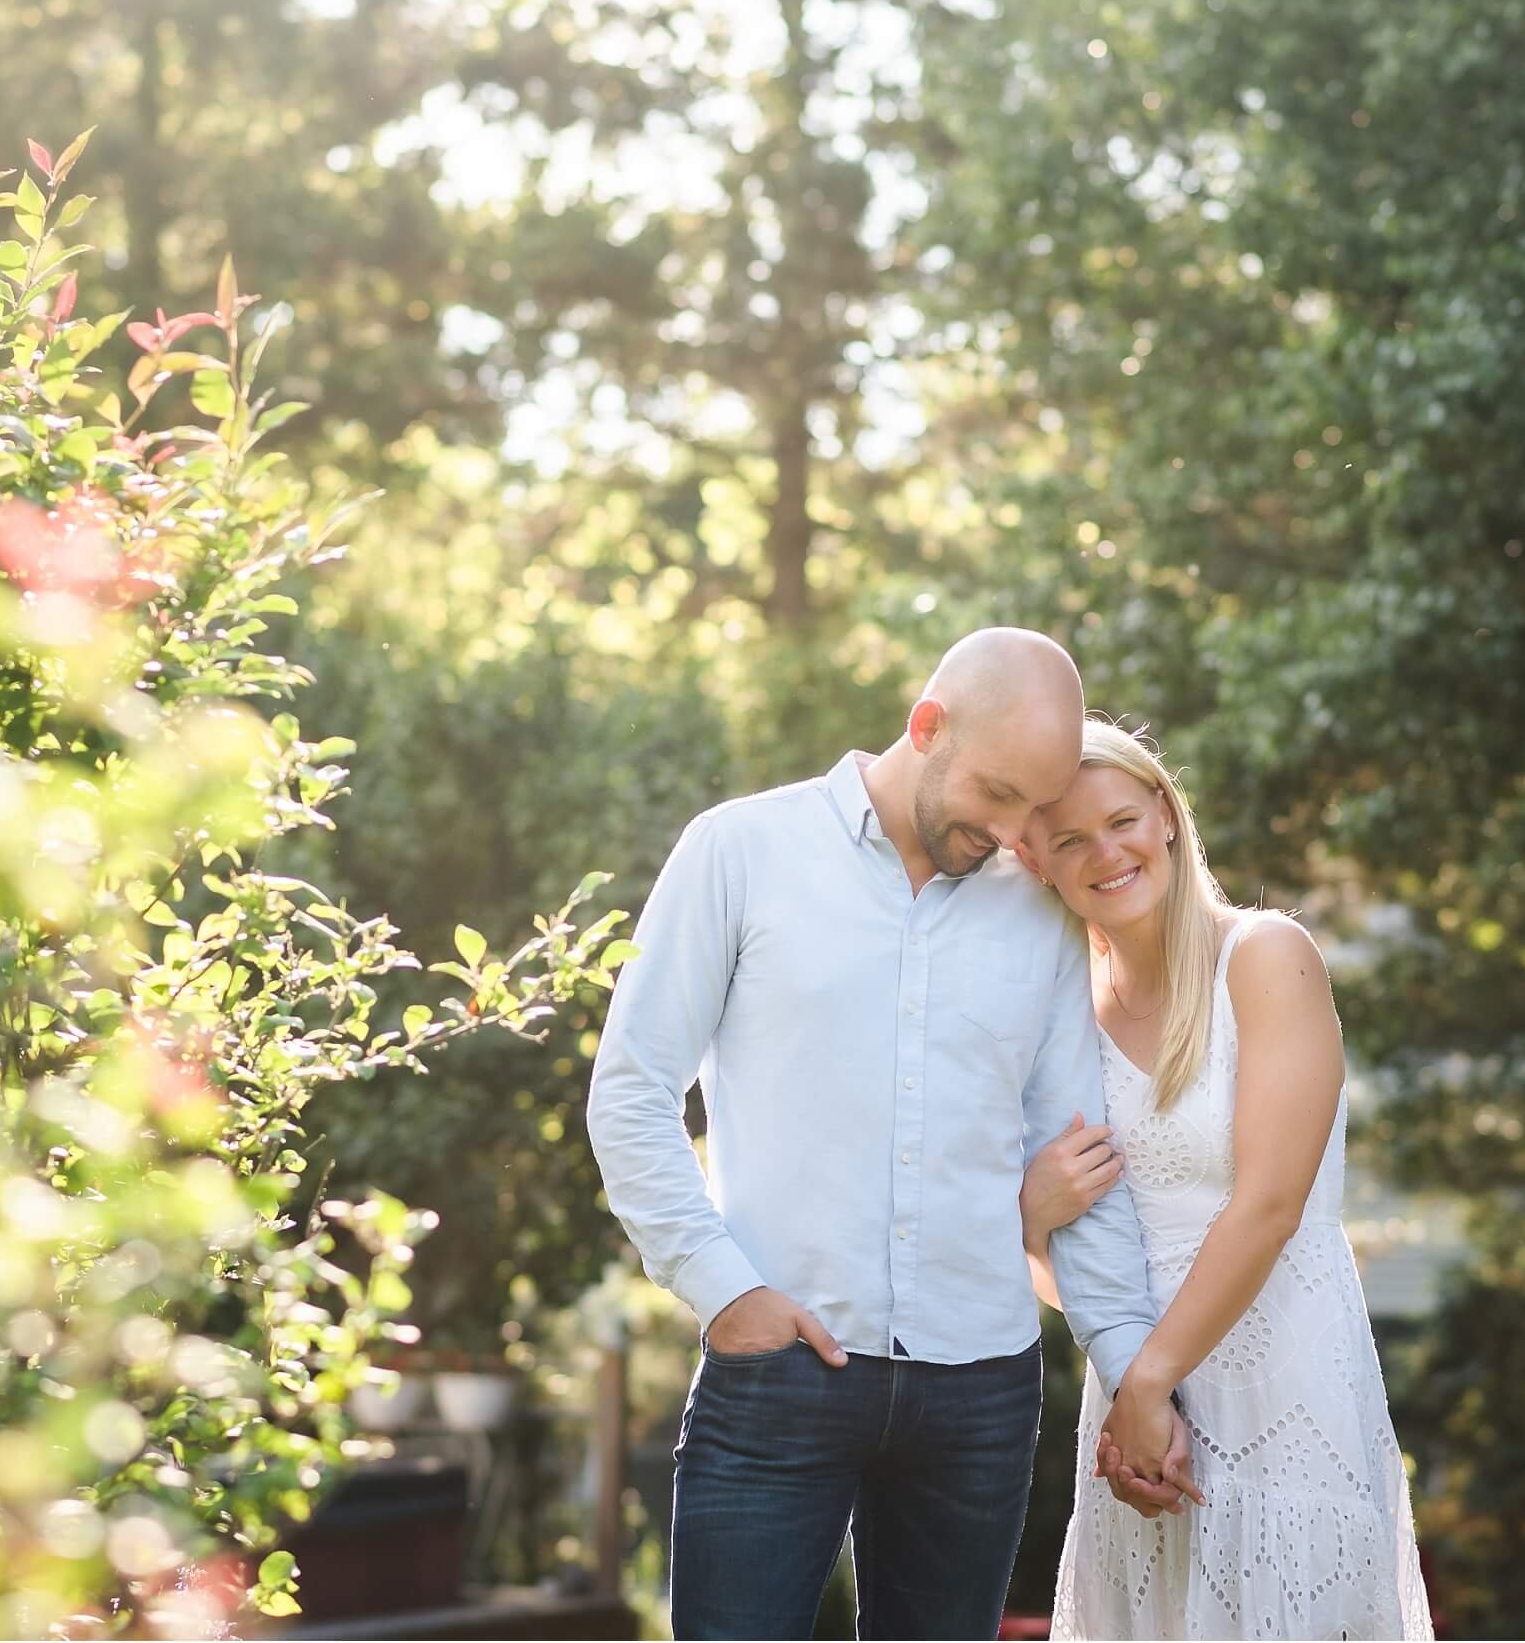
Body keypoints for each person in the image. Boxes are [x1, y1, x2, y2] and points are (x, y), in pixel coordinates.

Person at [587, 630, 1201, 1641]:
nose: (1014, 835)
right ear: (927, 728)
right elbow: (631, 1089)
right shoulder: (741, 851)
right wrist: (723, 1289)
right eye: (998, 796)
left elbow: (1082, 1162)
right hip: (779, 1370)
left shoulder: (1037, 915)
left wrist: (1132, 1366)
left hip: (979, 1394)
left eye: (1032, 811)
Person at [1022, 718, 1434, 1640]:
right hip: (1139, 1421)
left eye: (1123, 819)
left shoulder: (1265, 955)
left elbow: (1270, 1204)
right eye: (1072, 840)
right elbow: (1075, 1268)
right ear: (1037, 860)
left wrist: (1147, 1381)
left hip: (1282, 1389)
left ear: (1166, 814)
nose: (1108, 852)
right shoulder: (1061, 1020)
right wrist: (1031, 1228)